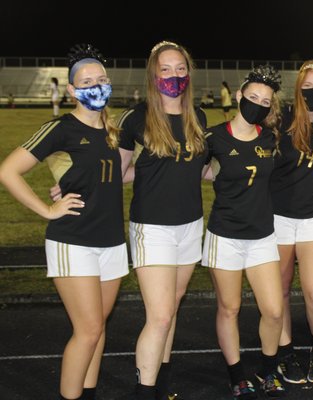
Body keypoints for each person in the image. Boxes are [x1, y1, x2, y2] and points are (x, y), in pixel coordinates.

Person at [0, 44, 127, 400]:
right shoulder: (61, 128)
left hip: (112, 241)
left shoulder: (113, 130)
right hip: (74, 240)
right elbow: (8, 171)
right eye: (86, 81)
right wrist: (46, 209)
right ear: (71, 90)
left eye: (101, 79)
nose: (96, 86)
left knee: (98, 329)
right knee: (87, 330)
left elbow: (115, 175)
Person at [118, 41, 209, 400]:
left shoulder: (198, 117)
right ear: (154, 74)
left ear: (189, 72)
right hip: (152, 227)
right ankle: (144, 391)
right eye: (166, 69)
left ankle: (162, 386)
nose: (174, 75)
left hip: (190, 225)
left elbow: (200, 170)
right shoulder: (136, 118)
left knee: (171, 308)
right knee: (158, 316)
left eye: (180, 68)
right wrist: (73, 185)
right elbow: (120, 171)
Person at [201, 65, 285, 399]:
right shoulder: (214, 137)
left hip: (262, 235)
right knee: (230, 308)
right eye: (253, 97)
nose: (258, 104)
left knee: (275, 310)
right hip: (225, 235)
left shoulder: (271, 137)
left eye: (265, 101)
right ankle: (237, 375)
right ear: (239, 96)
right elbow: (190, 173)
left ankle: (267, 371)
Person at [270, 60, 313, 384]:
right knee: (280, 290)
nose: (312, 92)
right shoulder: (280, 120)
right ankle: (285, 353)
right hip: (278, 217)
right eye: (307, 87)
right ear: (298, 88)